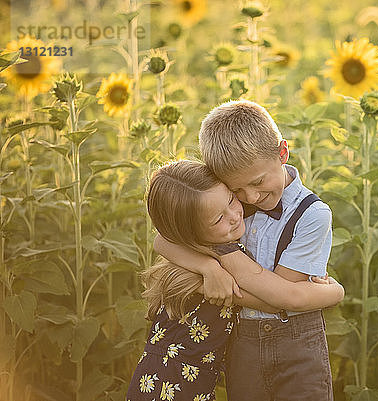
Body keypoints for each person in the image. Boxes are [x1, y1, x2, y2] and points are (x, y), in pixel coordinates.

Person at [154, 100, 336, 400]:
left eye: (257, 182)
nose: (251, 196)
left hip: (297, 344)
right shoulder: (231, 207)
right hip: (242, 342)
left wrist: (219, 257)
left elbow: (280, 298)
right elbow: (162, 240)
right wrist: (208, 270)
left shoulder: (313, 216)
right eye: (236, 189)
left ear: (282, 153)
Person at [127, 160, 344, 401]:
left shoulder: (201, 252)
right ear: (190, 233)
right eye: (218, 219)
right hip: (173, 384)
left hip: (176, 378)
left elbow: (162, 241)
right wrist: (336, 292)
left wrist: (208, 266)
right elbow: (275, 303)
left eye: (231, 200)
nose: (233, 216)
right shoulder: (206, 273)